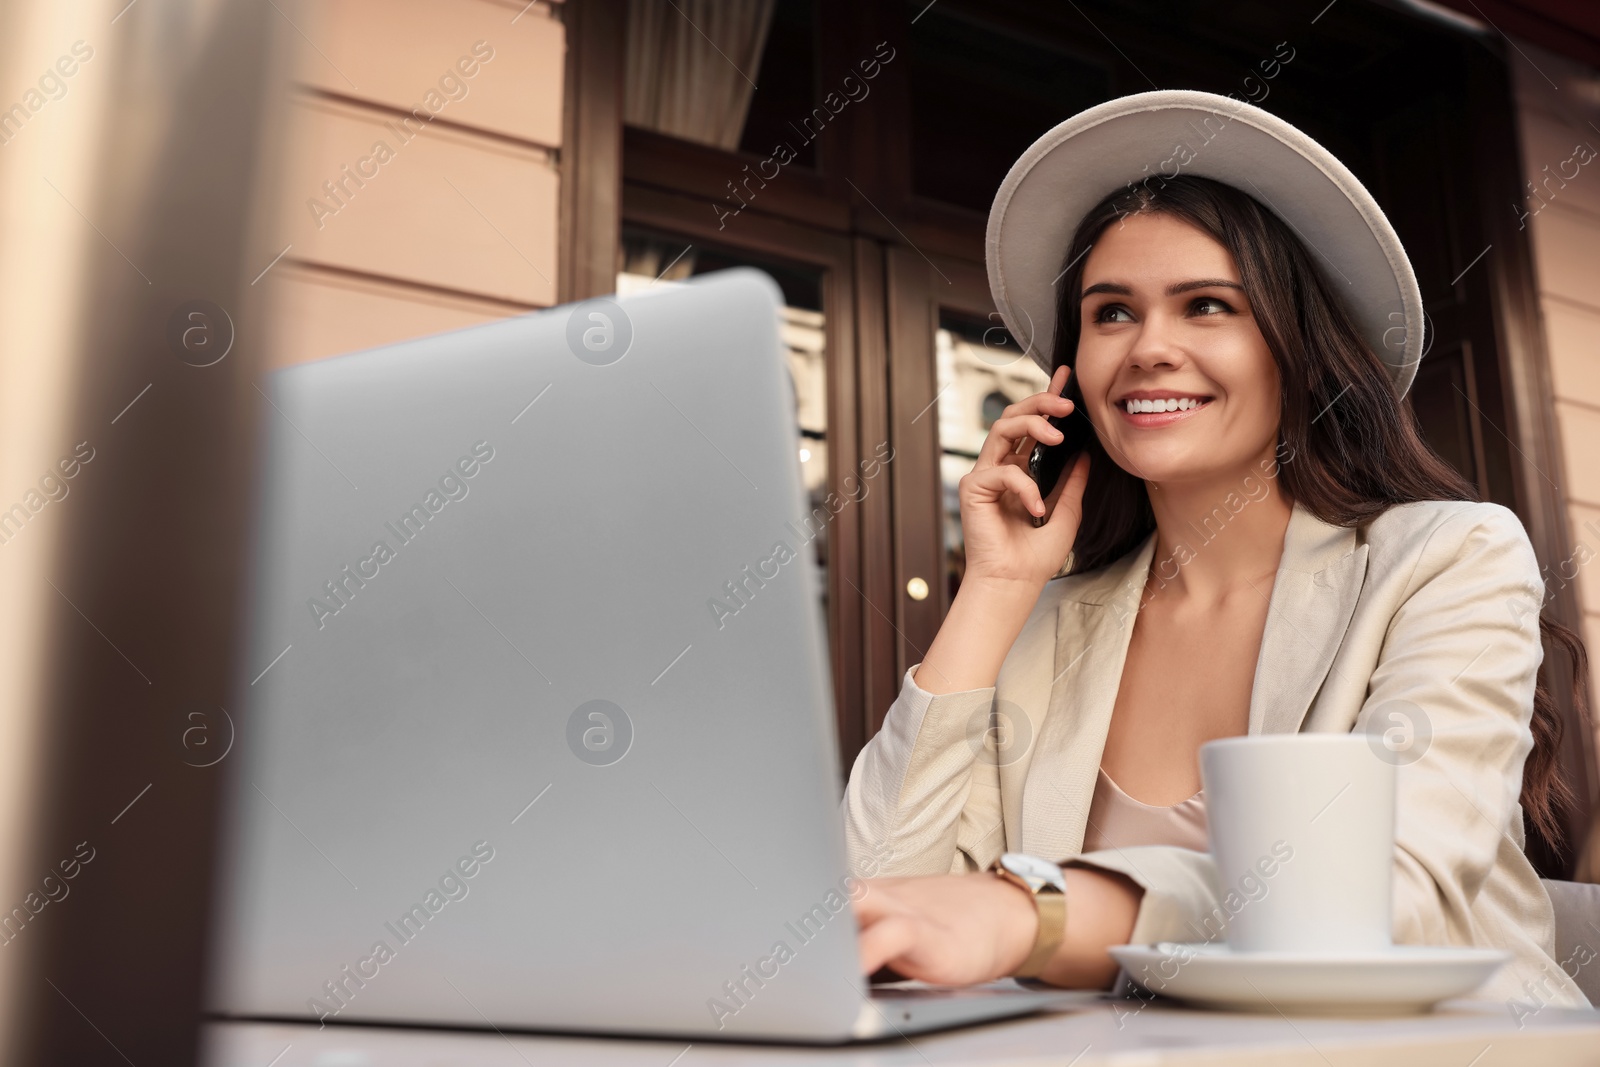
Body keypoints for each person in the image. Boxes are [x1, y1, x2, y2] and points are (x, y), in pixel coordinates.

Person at [841, 90, 1592, 1009]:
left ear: (1295, 349)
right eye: (1111, 312)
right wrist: (994, 588)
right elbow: (880, 894)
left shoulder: (1447, 558)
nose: (1149, 347)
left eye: (1205, 305)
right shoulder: (1046, 621)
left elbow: (1390, 891)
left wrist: (1033, 911)